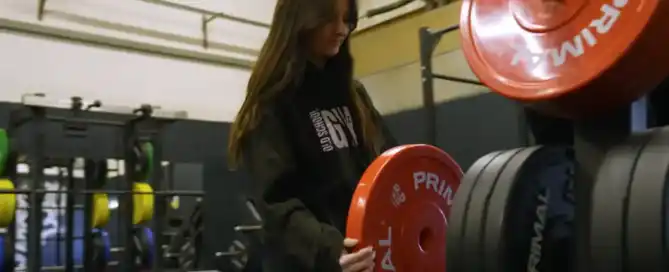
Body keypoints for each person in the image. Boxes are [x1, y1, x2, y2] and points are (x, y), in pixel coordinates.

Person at [227, 0, 397, 271]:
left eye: (347, 19)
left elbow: (388, 167)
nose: (342, 29)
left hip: (364, 260)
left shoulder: (354, 96)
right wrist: (331, 249)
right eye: (330, 18)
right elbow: (278, 203)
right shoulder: (272, 105)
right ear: (302, 19)